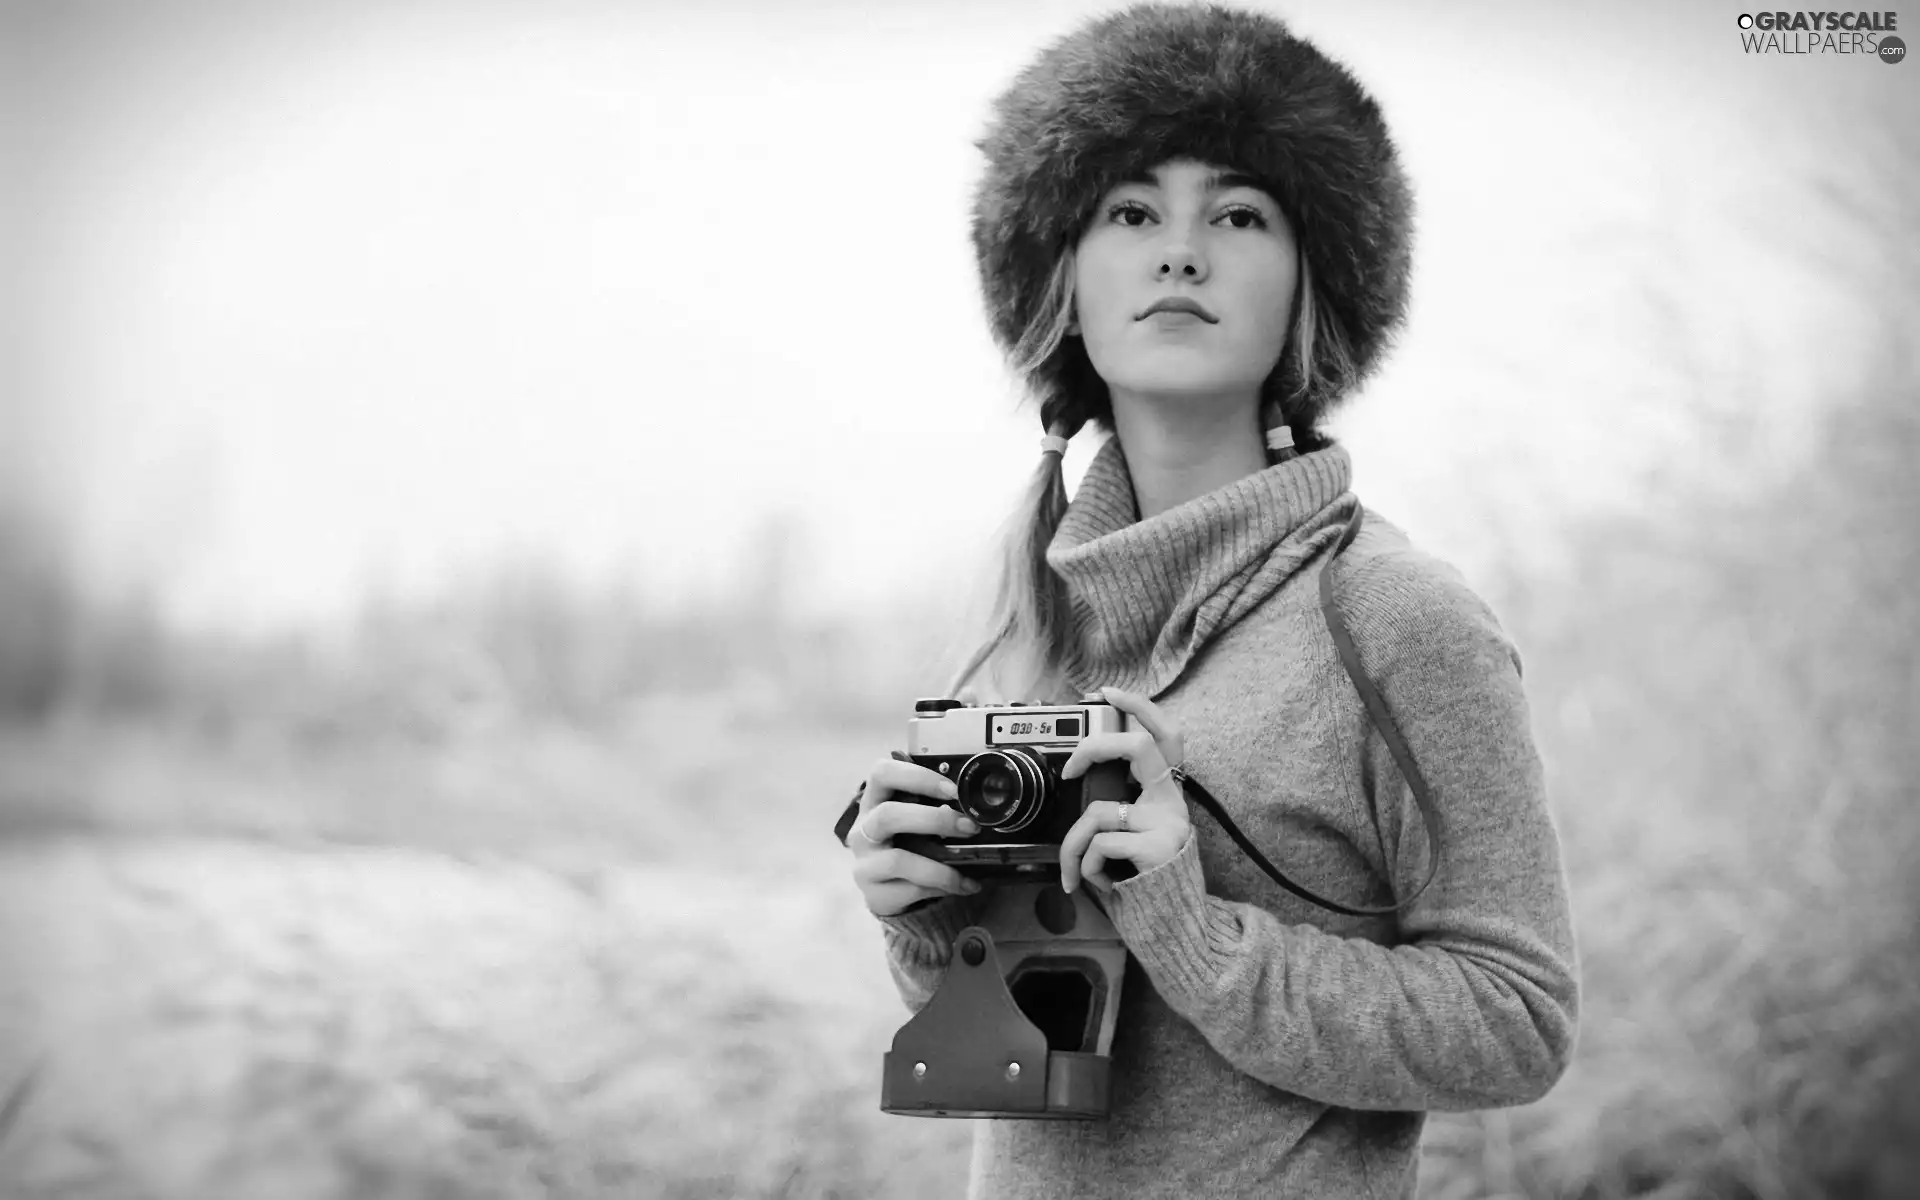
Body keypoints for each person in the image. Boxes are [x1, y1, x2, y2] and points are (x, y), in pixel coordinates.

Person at [839, 4, 1580, 1197]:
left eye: (1237, 215)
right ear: (1062, 282)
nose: (1179, 252)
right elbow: (1030, 1021)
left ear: (1312, 282)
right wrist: (926, 919)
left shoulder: (1393, 619)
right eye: (1131, 212)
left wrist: (1195, 927)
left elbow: (1517, 1019)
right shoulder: (1039, 623)